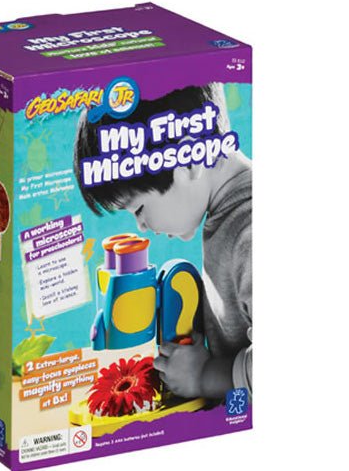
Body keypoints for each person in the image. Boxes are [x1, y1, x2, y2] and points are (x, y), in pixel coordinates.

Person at [74, 84, 252, 400]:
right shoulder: (227, 215)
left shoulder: (249, 233)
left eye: (138, 209)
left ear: (188, 161)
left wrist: (205, 376)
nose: (141, 226)